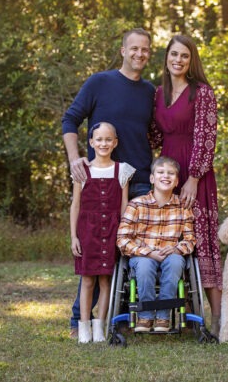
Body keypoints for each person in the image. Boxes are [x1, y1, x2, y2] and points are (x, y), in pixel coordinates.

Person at [62, 28, 155, 337]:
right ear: (123, 50)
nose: (139, 54)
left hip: (139, 180)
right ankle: (80, 321)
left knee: (131, 253)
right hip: (100, 182)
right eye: (134, 48)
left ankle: (120, 317)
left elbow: (158, 133)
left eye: (145, 49)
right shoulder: (99, 82)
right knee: (94, 248)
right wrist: (76, 159)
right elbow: (70, 120)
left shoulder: (151, 92)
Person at [149, 34, 223, 335]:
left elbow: (207, 137)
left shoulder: (202, 92)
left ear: (191, 61)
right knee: (173, 238)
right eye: (173, 54)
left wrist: (194, 177)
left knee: (201, 241)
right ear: (166, 57)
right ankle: (186, 314)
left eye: (184, 56)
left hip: (195, 174)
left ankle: (220, 318)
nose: (178, 60)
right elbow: (152, 135)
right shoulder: (157, 93)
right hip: (166, 171)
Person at [70, 122, 134, 343]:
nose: (103, 143)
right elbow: (75, 205)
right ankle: (84, 326)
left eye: (108, 139)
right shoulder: (83, 171)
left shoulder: (122, 169)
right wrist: (73, 237)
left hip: (112, 232)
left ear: (115, 143)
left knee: (106, 280)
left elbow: (124, 205)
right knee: (88, 280)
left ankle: (100, 325)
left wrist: (124, 235)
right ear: (91, 142)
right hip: (88, 232)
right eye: (99, 139)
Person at [116, 156, 196, 332]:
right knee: (144, 266)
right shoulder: (136, 204)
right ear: (152, 178)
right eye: (160, 172)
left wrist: (176, 248)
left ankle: (163, 317)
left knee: (176, 262)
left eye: (171, 173)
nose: (165, 176)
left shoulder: (183, 207)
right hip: (143, 255)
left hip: (171, 255)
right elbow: (122, 239)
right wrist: (146, 252)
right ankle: (145, 317)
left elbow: (190, 240)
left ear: (176, 181)